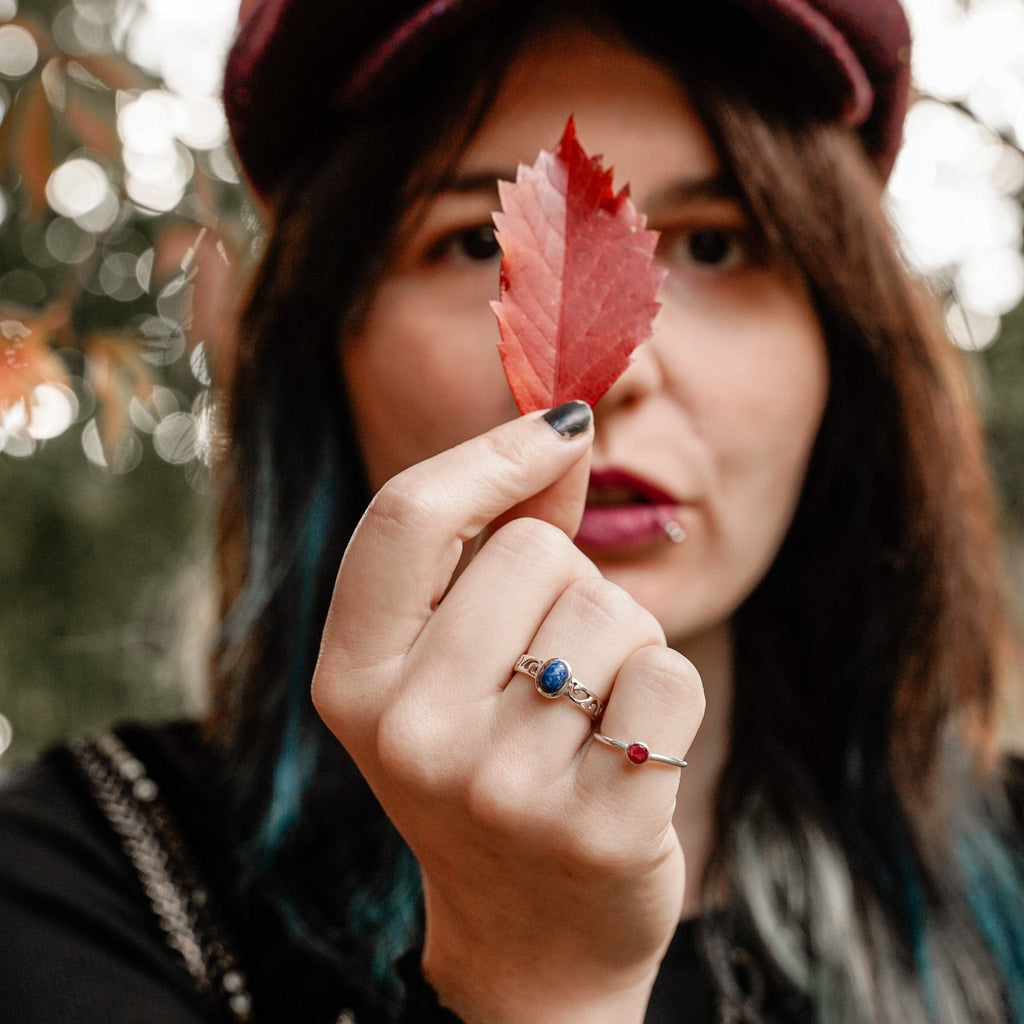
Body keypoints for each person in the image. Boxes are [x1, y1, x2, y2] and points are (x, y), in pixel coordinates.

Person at [2, 0, 1024, 1021]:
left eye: (716, 243)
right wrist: (535, 986)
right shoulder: (84, 885)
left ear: (843, 342)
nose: (620, 371)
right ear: (327, 348)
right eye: (481, 243)